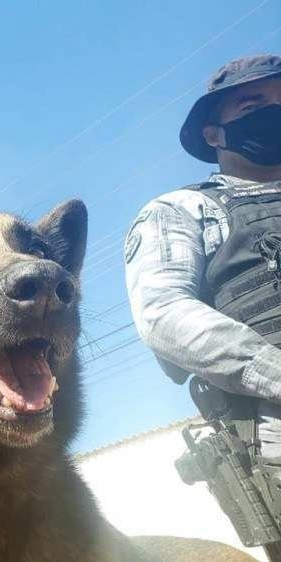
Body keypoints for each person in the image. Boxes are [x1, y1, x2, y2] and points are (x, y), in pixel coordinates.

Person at [125, 55, 281, 452]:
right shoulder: (183, 210)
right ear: (214, 135)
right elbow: (163, 314)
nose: (274, 113)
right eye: (253, 106)